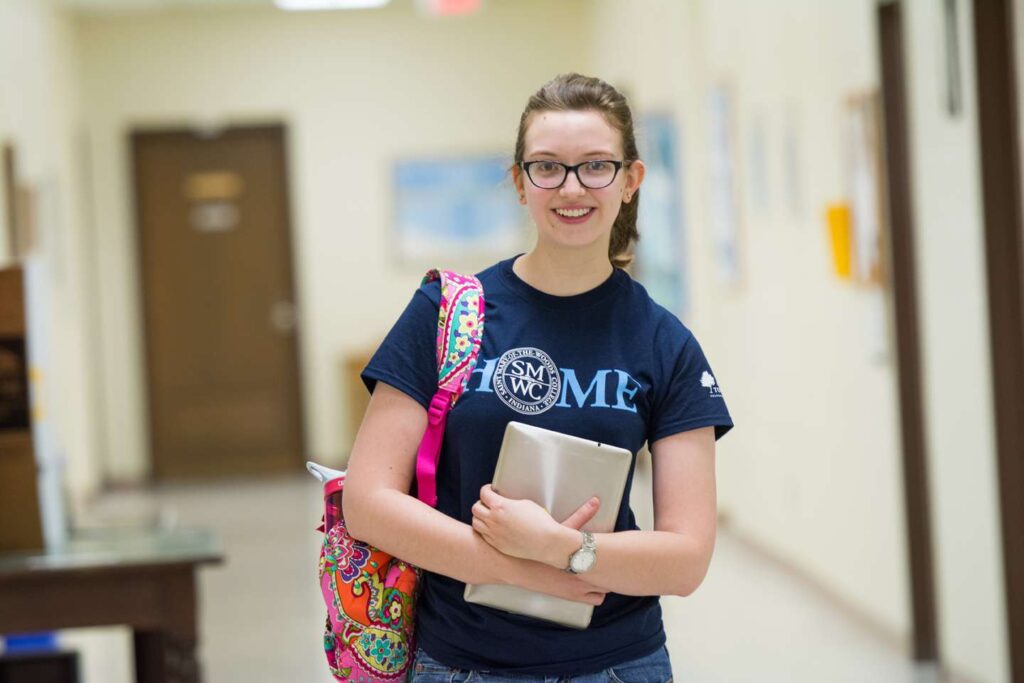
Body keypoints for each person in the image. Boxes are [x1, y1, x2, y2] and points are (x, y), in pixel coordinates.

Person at [344, 73, 733, 683]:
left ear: (631, 181)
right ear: (519, 183)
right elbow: (367, 503)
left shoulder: (665, 342)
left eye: (596, 166)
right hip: (462, 663)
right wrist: (518, 566)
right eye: (547, 167)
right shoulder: (446, 313)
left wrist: (560, 550)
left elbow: (686, 559)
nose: (571, 187)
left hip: (618, 663)